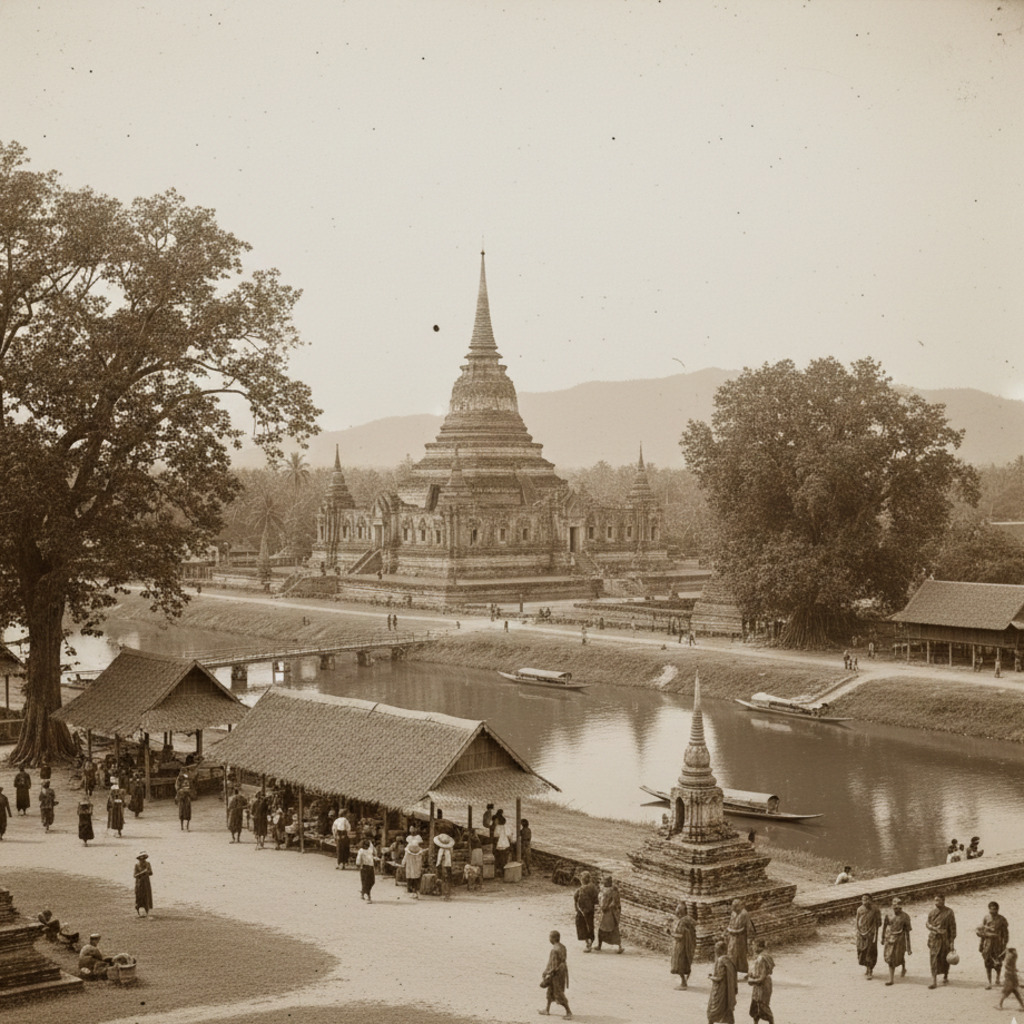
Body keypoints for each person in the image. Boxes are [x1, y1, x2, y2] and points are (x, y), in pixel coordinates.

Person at [926, 893, 957, 989]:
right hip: (934, 939)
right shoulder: (932, 913)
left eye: (938, 900)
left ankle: (945, 976)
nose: (936, 902)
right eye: (935, 900)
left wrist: (952, 942)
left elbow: (952, 928)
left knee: (944, 959)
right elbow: (927, 923)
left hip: (945, 939)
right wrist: (932, 928)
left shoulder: (949, 912)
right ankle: (934, 981)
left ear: (943, 901)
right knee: (933, 959)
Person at [539, 929, 572, 1019]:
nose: (549, 939)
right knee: (550, 991)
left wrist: (546, 973)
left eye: (550, 937)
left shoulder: (554, 950)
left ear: (553, 938)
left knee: (558, 993)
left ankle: (569, 1012)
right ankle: (547, 1009)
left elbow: (553, 965)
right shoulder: (563, 947)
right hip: (562, 972)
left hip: (556, 974)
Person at [882, 896, 913, 985]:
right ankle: (891, 979)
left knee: (899, 955)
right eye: (894, 907)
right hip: (890, 939)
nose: (896, 909)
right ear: (892, 906)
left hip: (900, 940)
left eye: (898, 907)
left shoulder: (905, 917)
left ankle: (903, 967)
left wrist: (908, 947)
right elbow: (885, 926)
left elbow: (907, 932)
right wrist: (882, 938)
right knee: (890, 957)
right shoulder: (888, 915)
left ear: (901, 907)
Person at [978, 900, 1009, 989]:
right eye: (991, 909)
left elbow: (1005, 933)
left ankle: (998, 978)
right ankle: (989, 982)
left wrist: (1005, 943)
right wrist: (981, 944)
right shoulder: (986, 918)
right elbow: (983, 931)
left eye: (994, 909)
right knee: (987, 962)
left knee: (998, 962)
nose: (992, 911)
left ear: (997, 909)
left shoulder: (1002, 919)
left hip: (998, 944)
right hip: (988, 943)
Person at [707, 938, 738, 1024]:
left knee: (712, 1011)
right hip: (728, 989)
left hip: (720, 990)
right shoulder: (729, 959)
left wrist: (711, 977)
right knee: (727, 1010)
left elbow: (719, 978)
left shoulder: (721, 960)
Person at [668, 901, 696, 989]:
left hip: (681, 946)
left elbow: (680, 936)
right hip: (687, 945)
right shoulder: (689, 919)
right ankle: (684, 981)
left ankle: (683, 983)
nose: (676, 910)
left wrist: (670, 933)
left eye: (678, 908)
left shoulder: (683, 922)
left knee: (679, 963)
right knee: (683, 962)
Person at [747, 938, 775, 1024]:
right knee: (755, 1006)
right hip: (760, 984)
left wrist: (752, 981)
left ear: (759, 946)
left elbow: (762, 977)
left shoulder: (762, 958)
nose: (752, 947)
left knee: (762, 1005)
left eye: (753, 945)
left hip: (762, 985)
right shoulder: (763, 956)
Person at [727, 898, 756, 976]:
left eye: (735, 906)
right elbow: (730, 923)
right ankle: (733, 971)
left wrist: (749, 939)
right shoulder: (733, 913)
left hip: (741, 938)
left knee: (741, 956)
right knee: (731, 954)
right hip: (733, 937)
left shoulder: (744, 914)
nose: (733, 908)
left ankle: (747, 972)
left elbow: (749, 927)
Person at [855, 894, 881, 979]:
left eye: (867, 899)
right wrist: (858, 931)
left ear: (871, 900)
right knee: (862, 951)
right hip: (861, 934)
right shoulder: (859, 909)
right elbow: (857, 921)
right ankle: (866, 968)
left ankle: (870, 970)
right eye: (863, 899)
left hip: (871, 934)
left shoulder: (875, 909)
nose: (865, 901)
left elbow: (879, 922)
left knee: (870, 952)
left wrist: (874, 927)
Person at [595, 875, 623, 954]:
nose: (604, 882)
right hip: (604, 913)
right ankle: (599, 945)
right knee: (601, 930)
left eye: (606, 881)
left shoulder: (614, 890)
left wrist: (607, 907)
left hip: (610, 913)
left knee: (614, 930)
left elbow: (615, 902)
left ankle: (619, 946)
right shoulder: (603, 889)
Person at [573, 872, 599, 952]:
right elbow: (596, 900)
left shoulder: (581, 889)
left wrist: (577, 908)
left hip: (583, 911)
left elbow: (576, 898)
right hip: (590, 910)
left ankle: (588, 943)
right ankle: (590, 941)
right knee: (589, 925)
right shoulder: (593, 887)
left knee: (583, 926)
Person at [434, 832, 455, 901]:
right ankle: (447, 894)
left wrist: (438, 865)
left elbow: (439, 860)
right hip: (448, 865)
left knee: (443, 879)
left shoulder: (441, 850)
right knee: (447, 879)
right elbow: (451, 857)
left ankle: (444, 894)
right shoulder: (449, 850)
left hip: (443, 866)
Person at [355, 838, 376, 903]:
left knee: (372, 881)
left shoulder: (370, 849)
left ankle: (363, 892)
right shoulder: (361, 851)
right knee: (365, 882)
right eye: (365, 846)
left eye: (367, 845)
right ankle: (368, 896)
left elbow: (374, 854)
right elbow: (358, 859)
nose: (366, 847)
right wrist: (358, 864)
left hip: (371, 867)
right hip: (364, 867)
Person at [134, 851, 153, 916]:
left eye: (144, 857)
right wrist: (143, 872)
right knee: (139, 897)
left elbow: (151, 873)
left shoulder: (148, 864)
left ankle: (147, 912)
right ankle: (139, 912)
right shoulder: (137, 865)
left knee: (147, 896)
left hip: (146, 883)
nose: (143, 859)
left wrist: (147, 872)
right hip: (139, 883)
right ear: (139, 858)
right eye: (142, 857)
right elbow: (135, 875)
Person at [493, 809, 511, 874]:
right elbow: (509, 835)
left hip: (499, 844)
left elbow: (496, 836)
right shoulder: (506, 827)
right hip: (506, 844)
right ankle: (504, 870)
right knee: (505, 858)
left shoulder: (497, 827)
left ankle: (500, 870)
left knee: (499, 858)